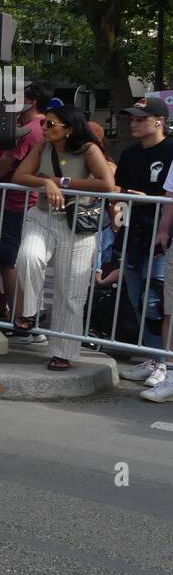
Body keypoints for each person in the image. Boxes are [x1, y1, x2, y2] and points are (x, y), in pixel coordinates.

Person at [11, 104, 117, 371]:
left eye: (51, 124)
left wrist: (59, 181)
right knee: (28, 256)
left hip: (78, 223)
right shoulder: (43, 147)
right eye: (44, 123)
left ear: (69, 129)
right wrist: (45, 182)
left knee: (71, 293)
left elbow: (105, 183)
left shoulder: (89, 150)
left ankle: (63, 351)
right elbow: (20, 175)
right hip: (43, 216)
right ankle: (31, 312)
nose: (44, 128)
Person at [108, 98, 173, 390]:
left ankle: (164, 361)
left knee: (155, 298)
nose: (133, 123)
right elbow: (120, 189)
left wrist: (151, 204)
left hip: (161, 236)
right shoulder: (131, 153)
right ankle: (151, 355)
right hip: (132, 232)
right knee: (136, 295)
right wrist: (117, 208)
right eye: (131, 118)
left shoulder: (171, 150)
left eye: (140, 118)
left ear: (159, 120)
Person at [0, 83, 49, 327]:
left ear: (32, 100)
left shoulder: (28, 131)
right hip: (27, 204)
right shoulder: (43, 126)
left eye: (16, 96)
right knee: (22, 262)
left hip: (17, 205)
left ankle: (22, 319)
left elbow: (1, 169)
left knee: (9, 261)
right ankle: (23, 315)